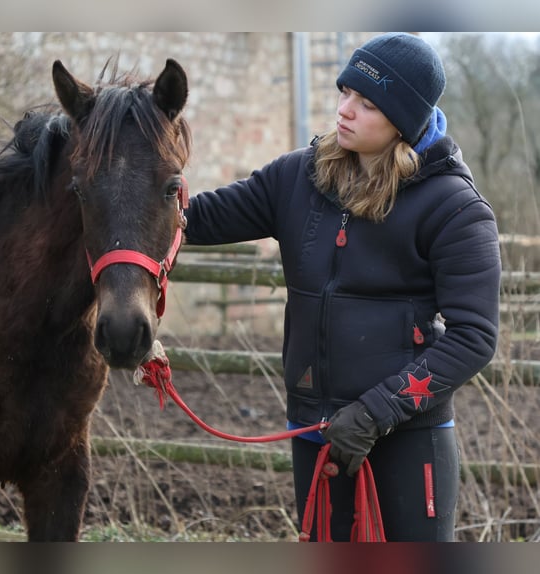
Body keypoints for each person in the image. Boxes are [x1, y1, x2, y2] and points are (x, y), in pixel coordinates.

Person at [183, 32, 501, 541]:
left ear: (403, 120)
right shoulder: (298, 177)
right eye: (345, 93)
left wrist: (376, 414)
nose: (345, 110)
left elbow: (474, 337)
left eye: (367, 103)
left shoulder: (456, 209)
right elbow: (192, 220)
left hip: (406, 435)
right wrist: (141, 181)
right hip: (316, 429)